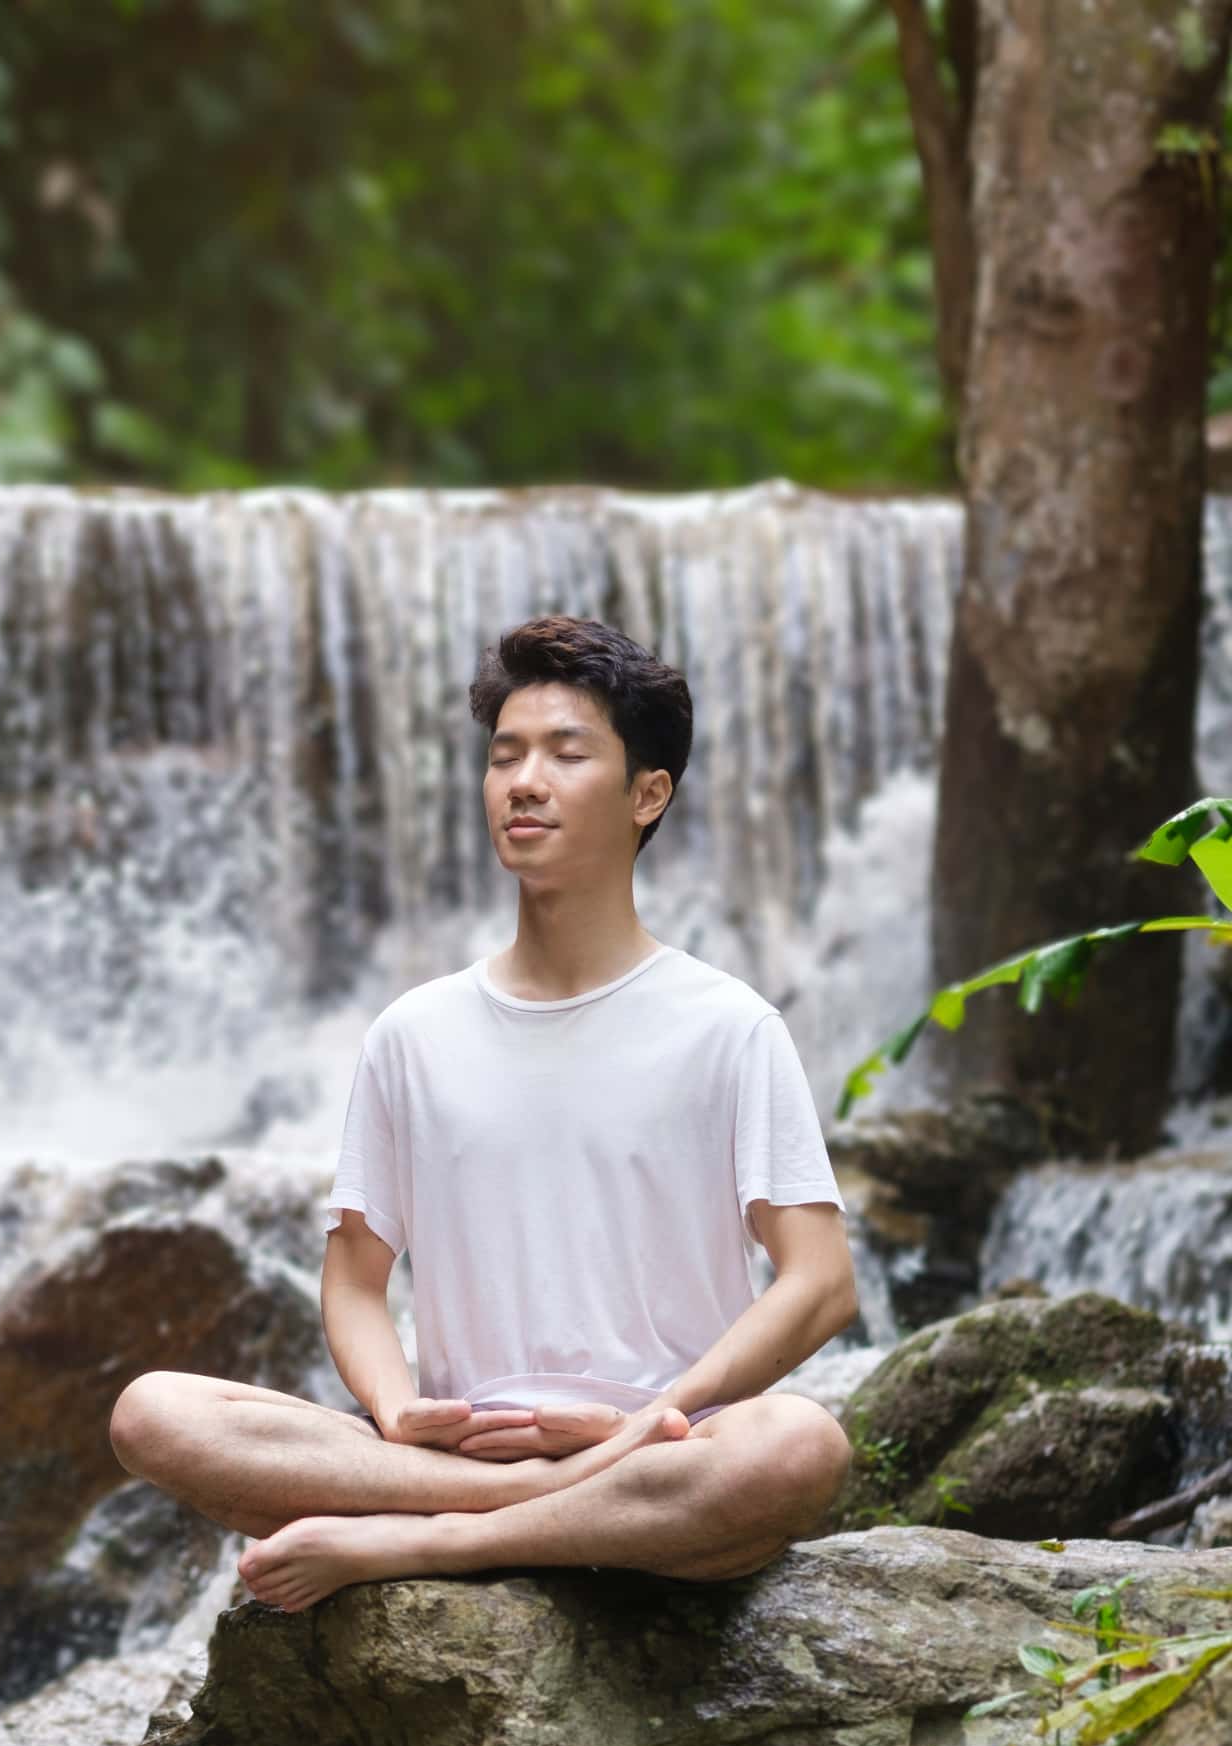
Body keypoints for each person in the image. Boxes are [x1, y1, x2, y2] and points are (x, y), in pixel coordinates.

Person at [109, 613, 857, 1613]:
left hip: (660, 1447)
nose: (523, 780)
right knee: (152, 1410)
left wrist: (658, 1416)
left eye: (563, 752)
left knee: (796, 1441)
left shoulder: (727, 1026)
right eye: (503, 755)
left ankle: (435, 1541)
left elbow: (818, 1282)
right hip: (456, 1443)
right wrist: (397, 1408)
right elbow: (354, 1281)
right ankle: (528, 1509)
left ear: (647, 792)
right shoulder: (412, 1033)